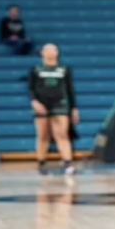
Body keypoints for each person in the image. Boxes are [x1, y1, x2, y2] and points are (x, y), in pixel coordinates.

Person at [30, 43, 78, 176]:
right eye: (48, 49)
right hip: (42, 104)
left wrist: (73, 108)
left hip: (60, 104)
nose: (51, 52)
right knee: (42, 135)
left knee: (62, 134)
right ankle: (41, 163)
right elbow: (31, 88)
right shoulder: (36, 69)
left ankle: (67, 162)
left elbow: (70, 89)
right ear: (42, 53)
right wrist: (34, 102)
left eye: (54, 49)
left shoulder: (64, 69)